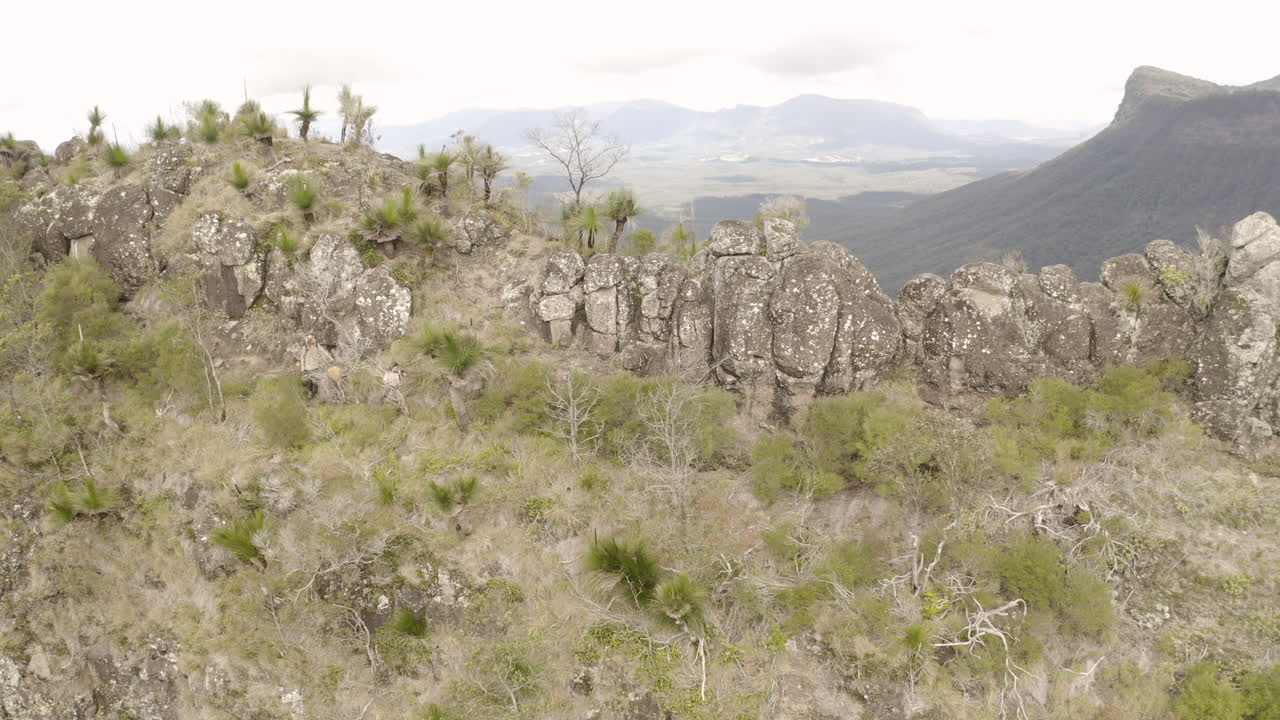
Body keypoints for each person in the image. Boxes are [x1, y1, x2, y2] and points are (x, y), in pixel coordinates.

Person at [298, 335, 334, 399]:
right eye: (313, 338)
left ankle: (313, 394)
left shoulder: (317, 345)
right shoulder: (305, 347)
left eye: (314, 338)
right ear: (310, 340)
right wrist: (302, 367)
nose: (315, 339)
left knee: (316, 382)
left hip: (315, 367)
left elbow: (324, 352)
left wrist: (331, 359)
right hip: (308, 368)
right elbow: (302, 357)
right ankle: (310, 394)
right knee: (310, 382)